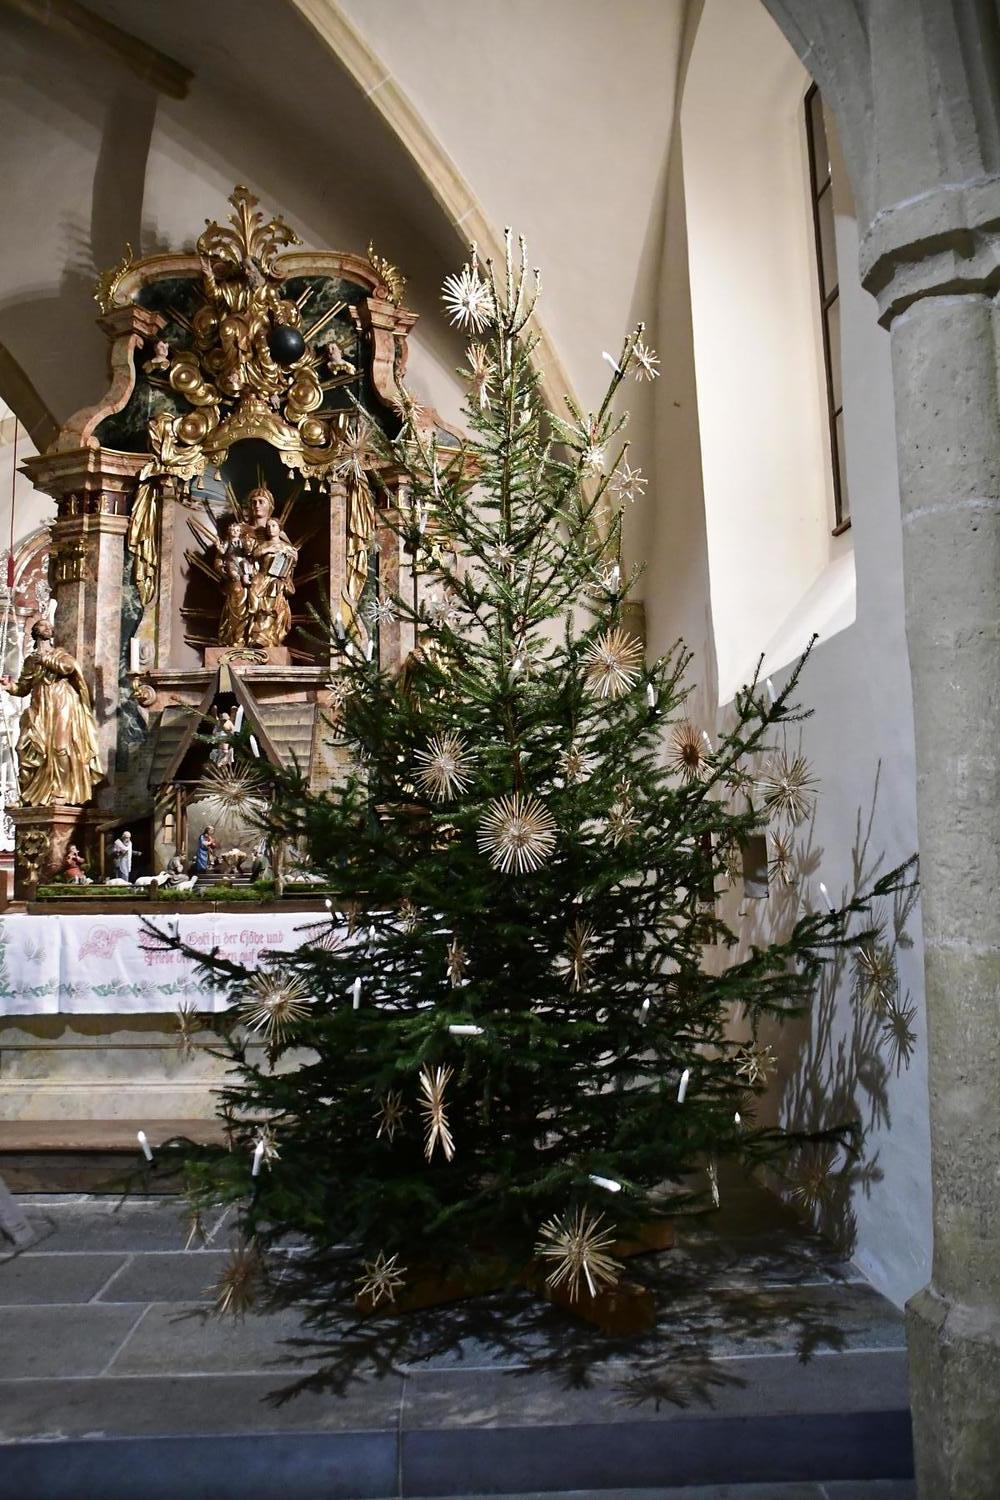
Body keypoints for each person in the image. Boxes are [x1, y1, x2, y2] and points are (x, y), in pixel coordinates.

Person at [0, 619, 102, 806]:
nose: (47, 627)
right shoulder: (31, 660)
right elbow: (23, 687)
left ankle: (61, 791)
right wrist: (9, 686)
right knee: (24, 747)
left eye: (49, 626)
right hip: (40, 707)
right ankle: (28, 796)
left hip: (61, 704)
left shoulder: (60, 654)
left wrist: (45, 660)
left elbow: (69, 667)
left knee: (60, 747)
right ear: (35, 632)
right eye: (43, 625)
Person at [246, 517, 298, 646]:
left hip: (277, 580)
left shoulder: (286, 546)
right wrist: (267, 550)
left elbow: (291, 565)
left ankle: (266, 636)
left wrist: (294, 559)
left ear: (280, 528)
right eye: (268, 526)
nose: (270, 529)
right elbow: (254, 555)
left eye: (274, 526)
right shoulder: (263, 545)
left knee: (270, 606)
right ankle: (256, 634)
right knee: (257, 605)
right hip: (262, 578)